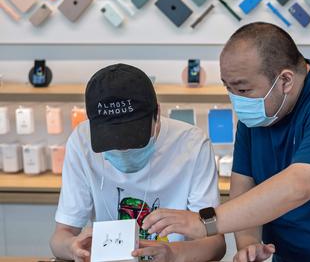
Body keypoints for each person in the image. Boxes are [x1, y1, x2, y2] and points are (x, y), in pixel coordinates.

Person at [143, 22, 310, 262]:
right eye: (228, 88)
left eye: (241, 88)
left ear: (285, 80)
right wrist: (248, 244)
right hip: (294, 254)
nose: (236, 98)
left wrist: (205, 222)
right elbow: (243, 186)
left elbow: (300, 185)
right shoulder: (261, 113)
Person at [49, 63, 226, 262]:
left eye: (134, 139)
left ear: (157, 114)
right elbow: (60, 236)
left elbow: (216, 244)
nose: (123, 150)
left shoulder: (191, 145)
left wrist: (174, 253)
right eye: (111, 141)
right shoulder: (81, 141)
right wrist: (72, 248)